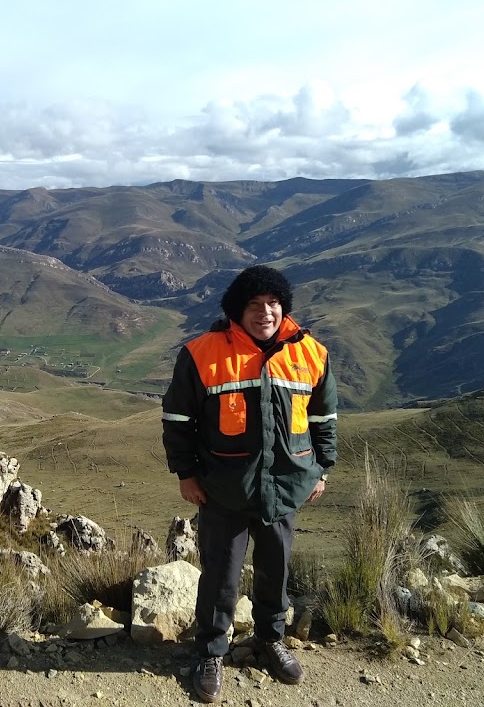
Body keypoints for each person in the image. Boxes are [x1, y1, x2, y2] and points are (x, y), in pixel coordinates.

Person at [161, 265, 337, 703]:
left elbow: (324, 418)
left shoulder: (312, 353)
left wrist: (321, 469)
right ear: (237, 311)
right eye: (255, 305)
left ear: (284, 307)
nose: (266, 312)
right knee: (221, 574)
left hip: (285, 486)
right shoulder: (202, 353)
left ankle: (269, 639)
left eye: (273, 304)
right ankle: (210, 651)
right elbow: (178, 419)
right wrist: (186, 474)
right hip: (224, 488)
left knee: (276, 569)